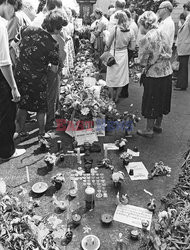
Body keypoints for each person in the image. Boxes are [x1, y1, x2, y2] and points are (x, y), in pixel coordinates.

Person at [15, 9, 67, 141]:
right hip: (38, 78)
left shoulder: (27, 30)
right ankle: (41, 134)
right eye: (60, 28)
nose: (60, 30)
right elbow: (54, 70)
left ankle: (18, 132)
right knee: (41, 107)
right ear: (55, 28)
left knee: (23, 105)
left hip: (21, 73)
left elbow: (14, 44)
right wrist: (45, 67)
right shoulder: (53, 44)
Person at [137, 11, 173, 138]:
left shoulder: (147, 38)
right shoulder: (164, 33)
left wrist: (141, 65)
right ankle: (158, 125)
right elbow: (170, 50)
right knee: (162, 99)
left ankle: (148, 129)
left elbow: (142, 61)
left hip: (154, 74)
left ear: (144, 24)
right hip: (167, 72)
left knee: (151, 100)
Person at [0, 0, 25, 160]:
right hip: (1, 77)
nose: (13, 14)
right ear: (6, 3)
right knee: (6, 115)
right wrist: (14, 88)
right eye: (13, 10)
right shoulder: (1, 24)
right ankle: (7, 151)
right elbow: (4, 62)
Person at [105, 11, 135, 103]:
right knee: (121, 77)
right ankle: (117, 97)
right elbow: (132, 47)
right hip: (124, 54)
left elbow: (108, 44)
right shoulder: (131, 31)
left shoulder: (114, 29)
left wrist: (106, 39)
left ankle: (111, 98)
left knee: (111, 77)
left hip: (114, 54)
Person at [175, 1, 190, 91]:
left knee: (183, 66)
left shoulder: (189, 18)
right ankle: (181, 84)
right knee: (183, 66)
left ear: (186, 9)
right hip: (184, 45)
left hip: (186, 46)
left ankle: (182, 84)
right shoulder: (188, 18)